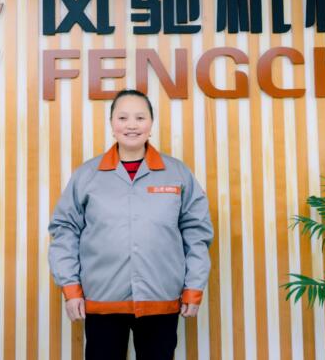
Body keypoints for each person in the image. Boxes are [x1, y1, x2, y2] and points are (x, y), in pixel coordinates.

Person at [48, 89, 213, 360]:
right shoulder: (87, 175)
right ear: (112, 124)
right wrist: (71, 288)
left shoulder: (178, 173)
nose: (131, 125)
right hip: (102, 300)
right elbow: (65, 231)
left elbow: (197, 233)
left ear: (151, 123)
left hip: (161, 300)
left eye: (140, 117)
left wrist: (194, 287)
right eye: (123, 118)